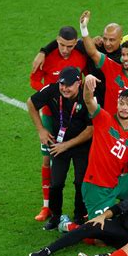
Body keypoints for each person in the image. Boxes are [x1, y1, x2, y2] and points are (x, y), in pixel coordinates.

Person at [28, 171, 128, 256]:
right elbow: (121, 207)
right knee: (92, 226)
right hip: (120, 227)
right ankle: (47, 250)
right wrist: (103, 216)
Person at [30, 26, 87, 222]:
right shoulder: (47, 57)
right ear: (57, 41)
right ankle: (47, 207)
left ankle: (80, 211)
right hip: (50, 116)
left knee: (78, 170)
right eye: (62, 45)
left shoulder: (81, 55)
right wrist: (51, 93)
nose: (65, 49)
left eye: (69, 46)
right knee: (47, 160)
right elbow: (34, 81)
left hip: (75, 115)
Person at [27, 67, 92, 229]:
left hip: (81, 145)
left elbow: (91, 130)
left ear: (79, 83)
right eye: (62, 84)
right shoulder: (53, 90)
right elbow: (31, 103)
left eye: (69, 85)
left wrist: (66, 145)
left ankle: (79, 216)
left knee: (80, 182)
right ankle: (55, 216)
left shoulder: (88, 97)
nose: (64, 88)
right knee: (56, 183)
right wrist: (41, 130)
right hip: (58, 144)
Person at [82, 75, 128, 220]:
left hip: (117, 183)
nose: (124, 108)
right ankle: (70, 226)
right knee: (100, 238)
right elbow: (88, 100)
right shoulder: (104, 119)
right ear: (117, 104)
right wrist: (87, 82)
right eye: (122, 103)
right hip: (97, 186)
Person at [32, 23, 124, 107]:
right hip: (85, 100)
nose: (107, 43)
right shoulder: (92, 46)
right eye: (105, 38)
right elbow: (66, 41)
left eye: (112, 40)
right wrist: (43, 51)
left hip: (110, 100)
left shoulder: (124, 58)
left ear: (121, 39)